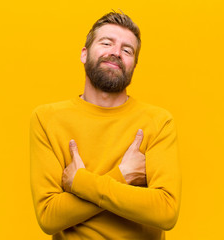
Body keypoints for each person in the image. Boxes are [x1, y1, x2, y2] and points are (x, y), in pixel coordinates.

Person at [30, 11, 181, 240]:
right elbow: (49, 216)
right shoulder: (47, 119)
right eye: (106, 42)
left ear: (134, 65)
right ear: (84, 53)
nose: (116, 53)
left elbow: (166, 212)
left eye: (127, 50)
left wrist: (80, 182)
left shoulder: (159, 122)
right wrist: (123, 175)